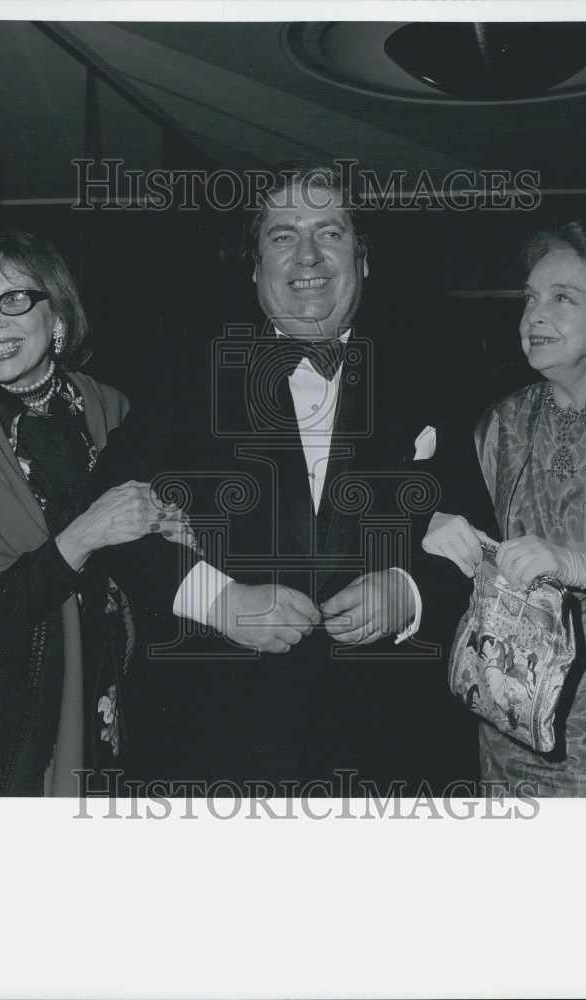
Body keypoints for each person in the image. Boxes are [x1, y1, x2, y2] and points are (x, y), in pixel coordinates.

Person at [91, 163, 498, 795]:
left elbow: (480, 534)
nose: (307, 255)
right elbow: (104, 509)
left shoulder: (435, 375)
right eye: (283, 235)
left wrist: (410, 592)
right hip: (216, 750)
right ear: (255, 267)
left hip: (390, 756)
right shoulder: (185, 375)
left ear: (363, 260)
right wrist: (217, 600)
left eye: (329, 232)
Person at [0, 231, 191, 796]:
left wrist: (175, 531)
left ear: (58, 315)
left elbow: (150, 565)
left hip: (115, 688)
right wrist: (84, 535)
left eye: (14, 299)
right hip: (17, 726)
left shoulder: (109, 408)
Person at [423, 220, 586, 796]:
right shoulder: (498, 424)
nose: (535, 315)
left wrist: (580, 567)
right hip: (506, 719)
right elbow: (448, 554)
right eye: (531, 298)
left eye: (563, 298)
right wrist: (434, 526)